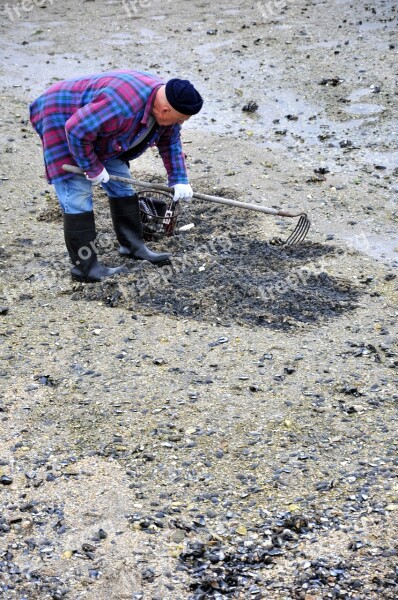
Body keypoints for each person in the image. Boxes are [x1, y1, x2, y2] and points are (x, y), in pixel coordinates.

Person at [29, 70, 203, 282]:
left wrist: (179, 178)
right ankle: (85, 269)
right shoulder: (121, 106)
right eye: (180, 120)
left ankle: (132, 246)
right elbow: (75, 130)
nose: (181, 124)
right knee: (78, 196)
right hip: (59, 117)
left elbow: (170, 142)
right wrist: (91, 168)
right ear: (165, 110)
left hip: (99, 130)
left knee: (122, 187)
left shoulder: (163, 108)